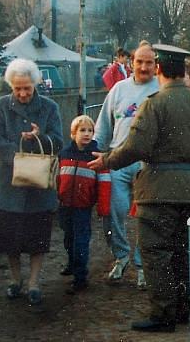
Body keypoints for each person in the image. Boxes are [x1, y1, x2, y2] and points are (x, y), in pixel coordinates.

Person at [90, 44, 190, 332]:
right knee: (181, 251)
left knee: (155, 252)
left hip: (157, 189)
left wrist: (107, 161)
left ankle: (163, 314)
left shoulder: (154, 103)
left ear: (160, 69)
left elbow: (136, 146)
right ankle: (182, 310)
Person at [0, 59, 63, 306]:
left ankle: (34, 282)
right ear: (11, 86)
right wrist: (19, 149)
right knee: (10, 238)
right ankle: (16, 280)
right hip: (8, 184)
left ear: (35, 84)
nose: (23, 93)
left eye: (27, 88)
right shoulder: (1, 107)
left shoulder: (49, 107)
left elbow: (59, 141)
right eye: (18, 89)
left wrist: (41, 138)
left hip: (39, 184)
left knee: (38, 236)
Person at [95, 41, 157, 288]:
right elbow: (103, 127)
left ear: (155, 65)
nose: (143, 66)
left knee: (146, 218)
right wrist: (96, 151)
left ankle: (143, 265)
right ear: (131, 63)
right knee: (114, 213)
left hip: (148, 164)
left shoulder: (161, 90)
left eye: (149, 62)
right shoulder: (119, 90)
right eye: (139, 61)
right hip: (118, 161)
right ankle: (121, 257)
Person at [57, 115, 111, 294]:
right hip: (65, 204)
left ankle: (80, 277)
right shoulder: (64, 154)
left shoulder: (96, 156)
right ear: (73, 134)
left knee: (80, 240)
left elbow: (104, 182)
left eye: (90, 131)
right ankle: (72, 264)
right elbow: (57, 177)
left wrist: (103, 207)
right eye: (82, 130)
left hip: (83, 206)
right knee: (68, 237)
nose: (87, 134)